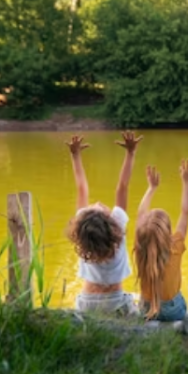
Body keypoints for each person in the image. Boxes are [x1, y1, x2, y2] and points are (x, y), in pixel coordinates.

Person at [66, 132, 142, 313]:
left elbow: (81, 187)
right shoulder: (118, 229)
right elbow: (122, 186)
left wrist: (75, 156)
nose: (98, 202)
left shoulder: (83, 238)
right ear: (111, 222)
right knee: (135, 304)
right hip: (116, 302)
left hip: (86, 302)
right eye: (99, 207)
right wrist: (131, 153)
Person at [133, 160, 188, 321]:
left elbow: (140, 215)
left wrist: (151, 189)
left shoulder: (140, 248)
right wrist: (186, 183)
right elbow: (185, 212)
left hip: (146, 309)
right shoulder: (175, 247)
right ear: (167, 233)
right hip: (173, 311)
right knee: (180, 300)